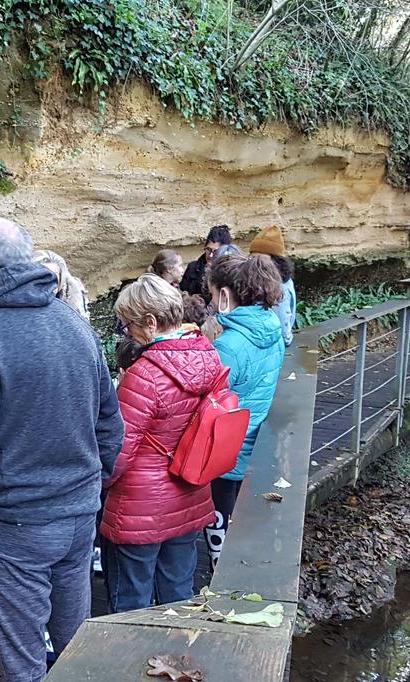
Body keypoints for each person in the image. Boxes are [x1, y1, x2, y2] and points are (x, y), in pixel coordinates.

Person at [0, 217, 124, 682]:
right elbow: (111, 424)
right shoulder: (74, 325)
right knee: (72, 643)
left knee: (24, 663)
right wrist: (92, 486)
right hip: (77, 516)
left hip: (14, 526)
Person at [99, 274, 223, 612]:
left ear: (151, 322)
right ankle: (176, 658)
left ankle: (131, 662)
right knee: (179, 590)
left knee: (132, 599)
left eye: (128, 325)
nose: (127, 333)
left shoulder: (143, 374)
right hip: (190, 490)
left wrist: (98, 485)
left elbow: (118, 453)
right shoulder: (208, 355)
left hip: (140, 505)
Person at [203, 253, 285, 570]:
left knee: (219, 534)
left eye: (212, 294)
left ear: (225, 295)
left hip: (225, 456)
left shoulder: (231, 344)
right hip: (256, 445)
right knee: (243, 530)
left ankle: (222, 592)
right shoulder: (271, 327)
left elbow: (207, 398)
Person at [248, 225, 297, 346]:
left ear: (275, 260)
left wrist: (286, 340)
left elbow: (282, 322)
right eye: (252, 258)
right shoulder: (262, 279)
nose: (255, 263)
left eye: (260, 259)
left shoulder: (281, 286)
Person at [180, 225, 232, 302]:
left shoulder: (231, 272)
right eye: (208, 249)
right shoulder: (193, 268)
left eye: (215, 251)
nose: (211, 255)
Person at [32, 249, 90, 320]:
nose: (49, 281)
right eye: (43, 276)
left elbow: (81, 325)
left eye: (54, 275)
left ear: (61, 276)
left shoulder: (74, 293)